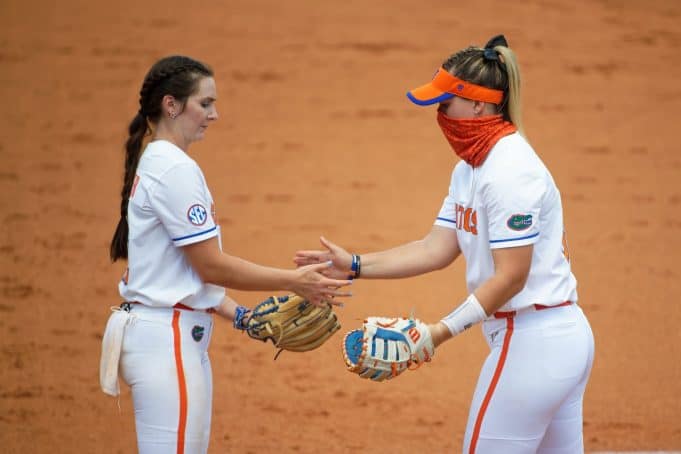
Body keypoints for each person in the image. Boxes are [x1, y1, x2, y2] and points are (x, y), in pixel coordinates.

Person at [295, 35, 595, 453]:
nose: (439, 114)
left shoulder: (510, 170)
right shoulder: (470, 168)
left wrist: (439, 332)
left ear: (478, 104)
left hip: (533, 343)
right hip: (545, 343)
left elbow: (512, 276)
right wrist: (357, 264)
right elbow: (434, 248)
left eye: (445, 103)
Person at [101, 55, 352, 454]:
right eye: (205, 103)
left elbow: (185, 271)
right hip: (168, 342)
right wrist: (293, 281)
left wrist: (242, 316)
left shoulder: (158, 161)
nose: (213, 115)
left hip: (168, 336)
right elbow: (210, 265)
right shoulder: (174, 170)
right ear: (171, 105)